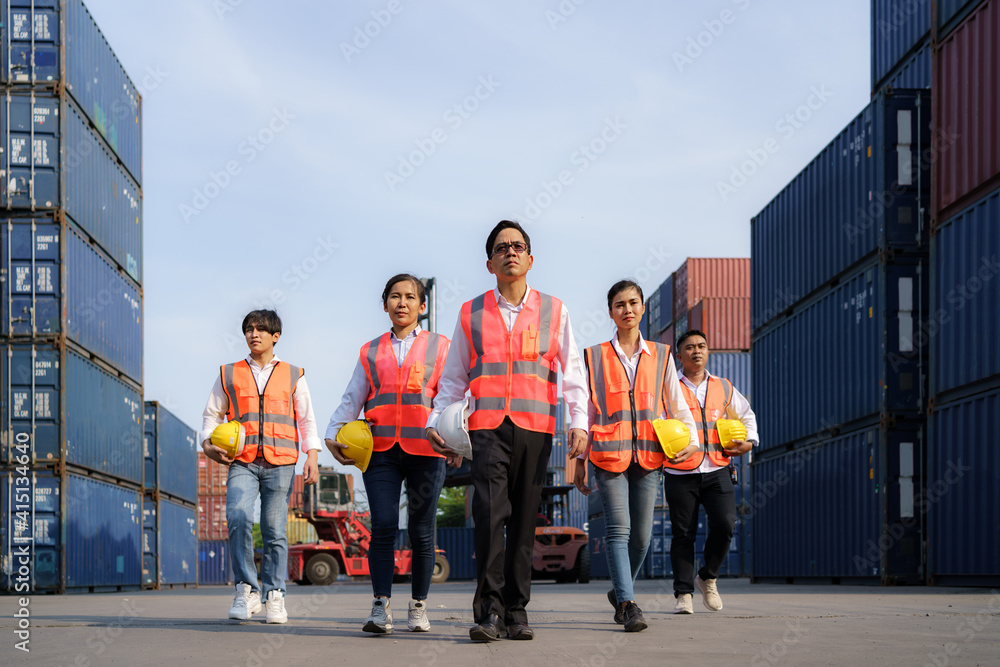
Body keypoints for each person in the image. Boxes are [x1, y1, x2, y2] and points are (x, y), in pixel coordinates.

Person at [425, 220, 589, 642]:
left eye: (518, 246)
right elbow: (452, 378)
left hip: (535, 428)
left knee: (521, 525)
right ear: (489, 262)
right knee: (489, 514)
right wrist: (436, 424)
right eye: (501, 247)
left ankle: (517, 612)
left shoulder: (555, 310)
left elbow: (572, 373)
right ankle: (488, 613)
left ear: (530, 259)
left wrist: (579, 423)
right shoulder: (471, 312)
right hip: (486, 428)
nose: (510, 252)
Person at [325, 274, 451, 635]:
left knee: (421, 531)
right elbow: (353, 397)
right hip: (380, 451)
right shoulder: (370, 350)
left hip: (426, 451)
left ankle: (418, 606)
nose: (402, 303)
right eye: (394, 296)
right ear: (384, 305)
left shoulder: (439, 347)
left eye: (410, 297)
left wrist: (458, 442)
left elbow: (452, 396)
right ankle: (380, 606)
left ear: (422, 307)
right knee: (382, 525)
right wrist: (333, 434)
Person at [573, 280, 697, 632]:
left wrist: (693, 440)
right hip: (608, 456)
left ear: (643, 308)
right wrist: (578, 461)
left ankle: (619, 590)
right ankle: (627, 604)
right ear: (610, 312)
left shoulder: (662, 355)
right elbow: (586, 412)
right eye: (619, 304)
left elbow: (677, 403)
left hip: (649, 456)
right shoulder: (593, 355)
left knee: (642, 537)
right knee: (619, 530)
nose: (627, 309)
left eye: (633, 303)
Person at [200, 309, 321, 624]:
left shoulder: (294, 374)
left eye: (261, 329)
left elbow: (306, 419)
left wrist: (312, 454)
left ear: (275, 336)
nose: (254, 334)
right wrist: (207, 444)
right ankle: (246, 590)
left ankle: (274, 595)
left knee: (274, 529)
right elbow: (211, 415)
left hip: (281, 461)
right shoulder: (229, 373)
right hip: (242, 460)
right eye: (249, 329)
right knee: (238, 517)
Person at [666, 329, 758, 614]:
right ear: (678, 355)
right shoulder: (668, 388)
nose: (696, 351)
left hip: (718, 467)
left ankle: (707, 577)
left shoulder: (724, 386)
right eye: (690, 347)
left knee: (726, 524)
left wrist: (750, 442)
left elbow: (747, 414)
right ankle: (683, 594)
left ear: (708, 352)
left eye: (702, 346)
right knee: (683, 534)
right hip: (680, 471)